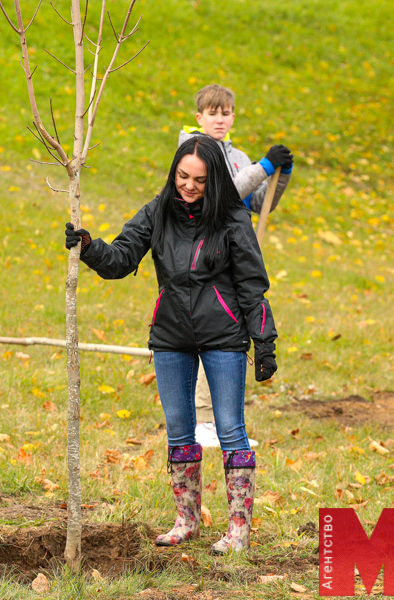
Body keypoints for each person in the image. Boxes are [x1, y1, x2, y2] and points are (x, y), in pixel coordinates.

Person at [64, 136, 277, 554]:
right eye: (182, 176)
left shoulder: (233, 218)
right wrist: (88, 247)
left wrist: (264, 342)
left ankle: (238, 531)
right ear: (173, 172)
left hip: (224, 335)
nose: (189, 186)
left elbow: (253, 285)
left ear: (213, 178)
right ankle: (186, 520)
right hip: (171, 336)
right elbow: (122, 259)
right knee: (179, 430)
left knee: (232, 430)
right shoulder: (157, 211)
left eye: (199, 179)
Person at [179, 84, 293, 447]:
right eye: (212, 113)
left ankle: (226, 420)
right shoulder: (193, 151)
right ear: (199, 117)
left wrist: (280, 173)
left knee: (233, 335)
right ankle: (203, 420)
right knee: (209, 333)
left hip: (233, 254)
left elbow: (260, 202)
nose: (220, 119)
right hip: (204, 254)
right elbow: (224, 190)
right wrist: (264, 165)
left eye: (225, 112)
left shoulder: (239, 155)